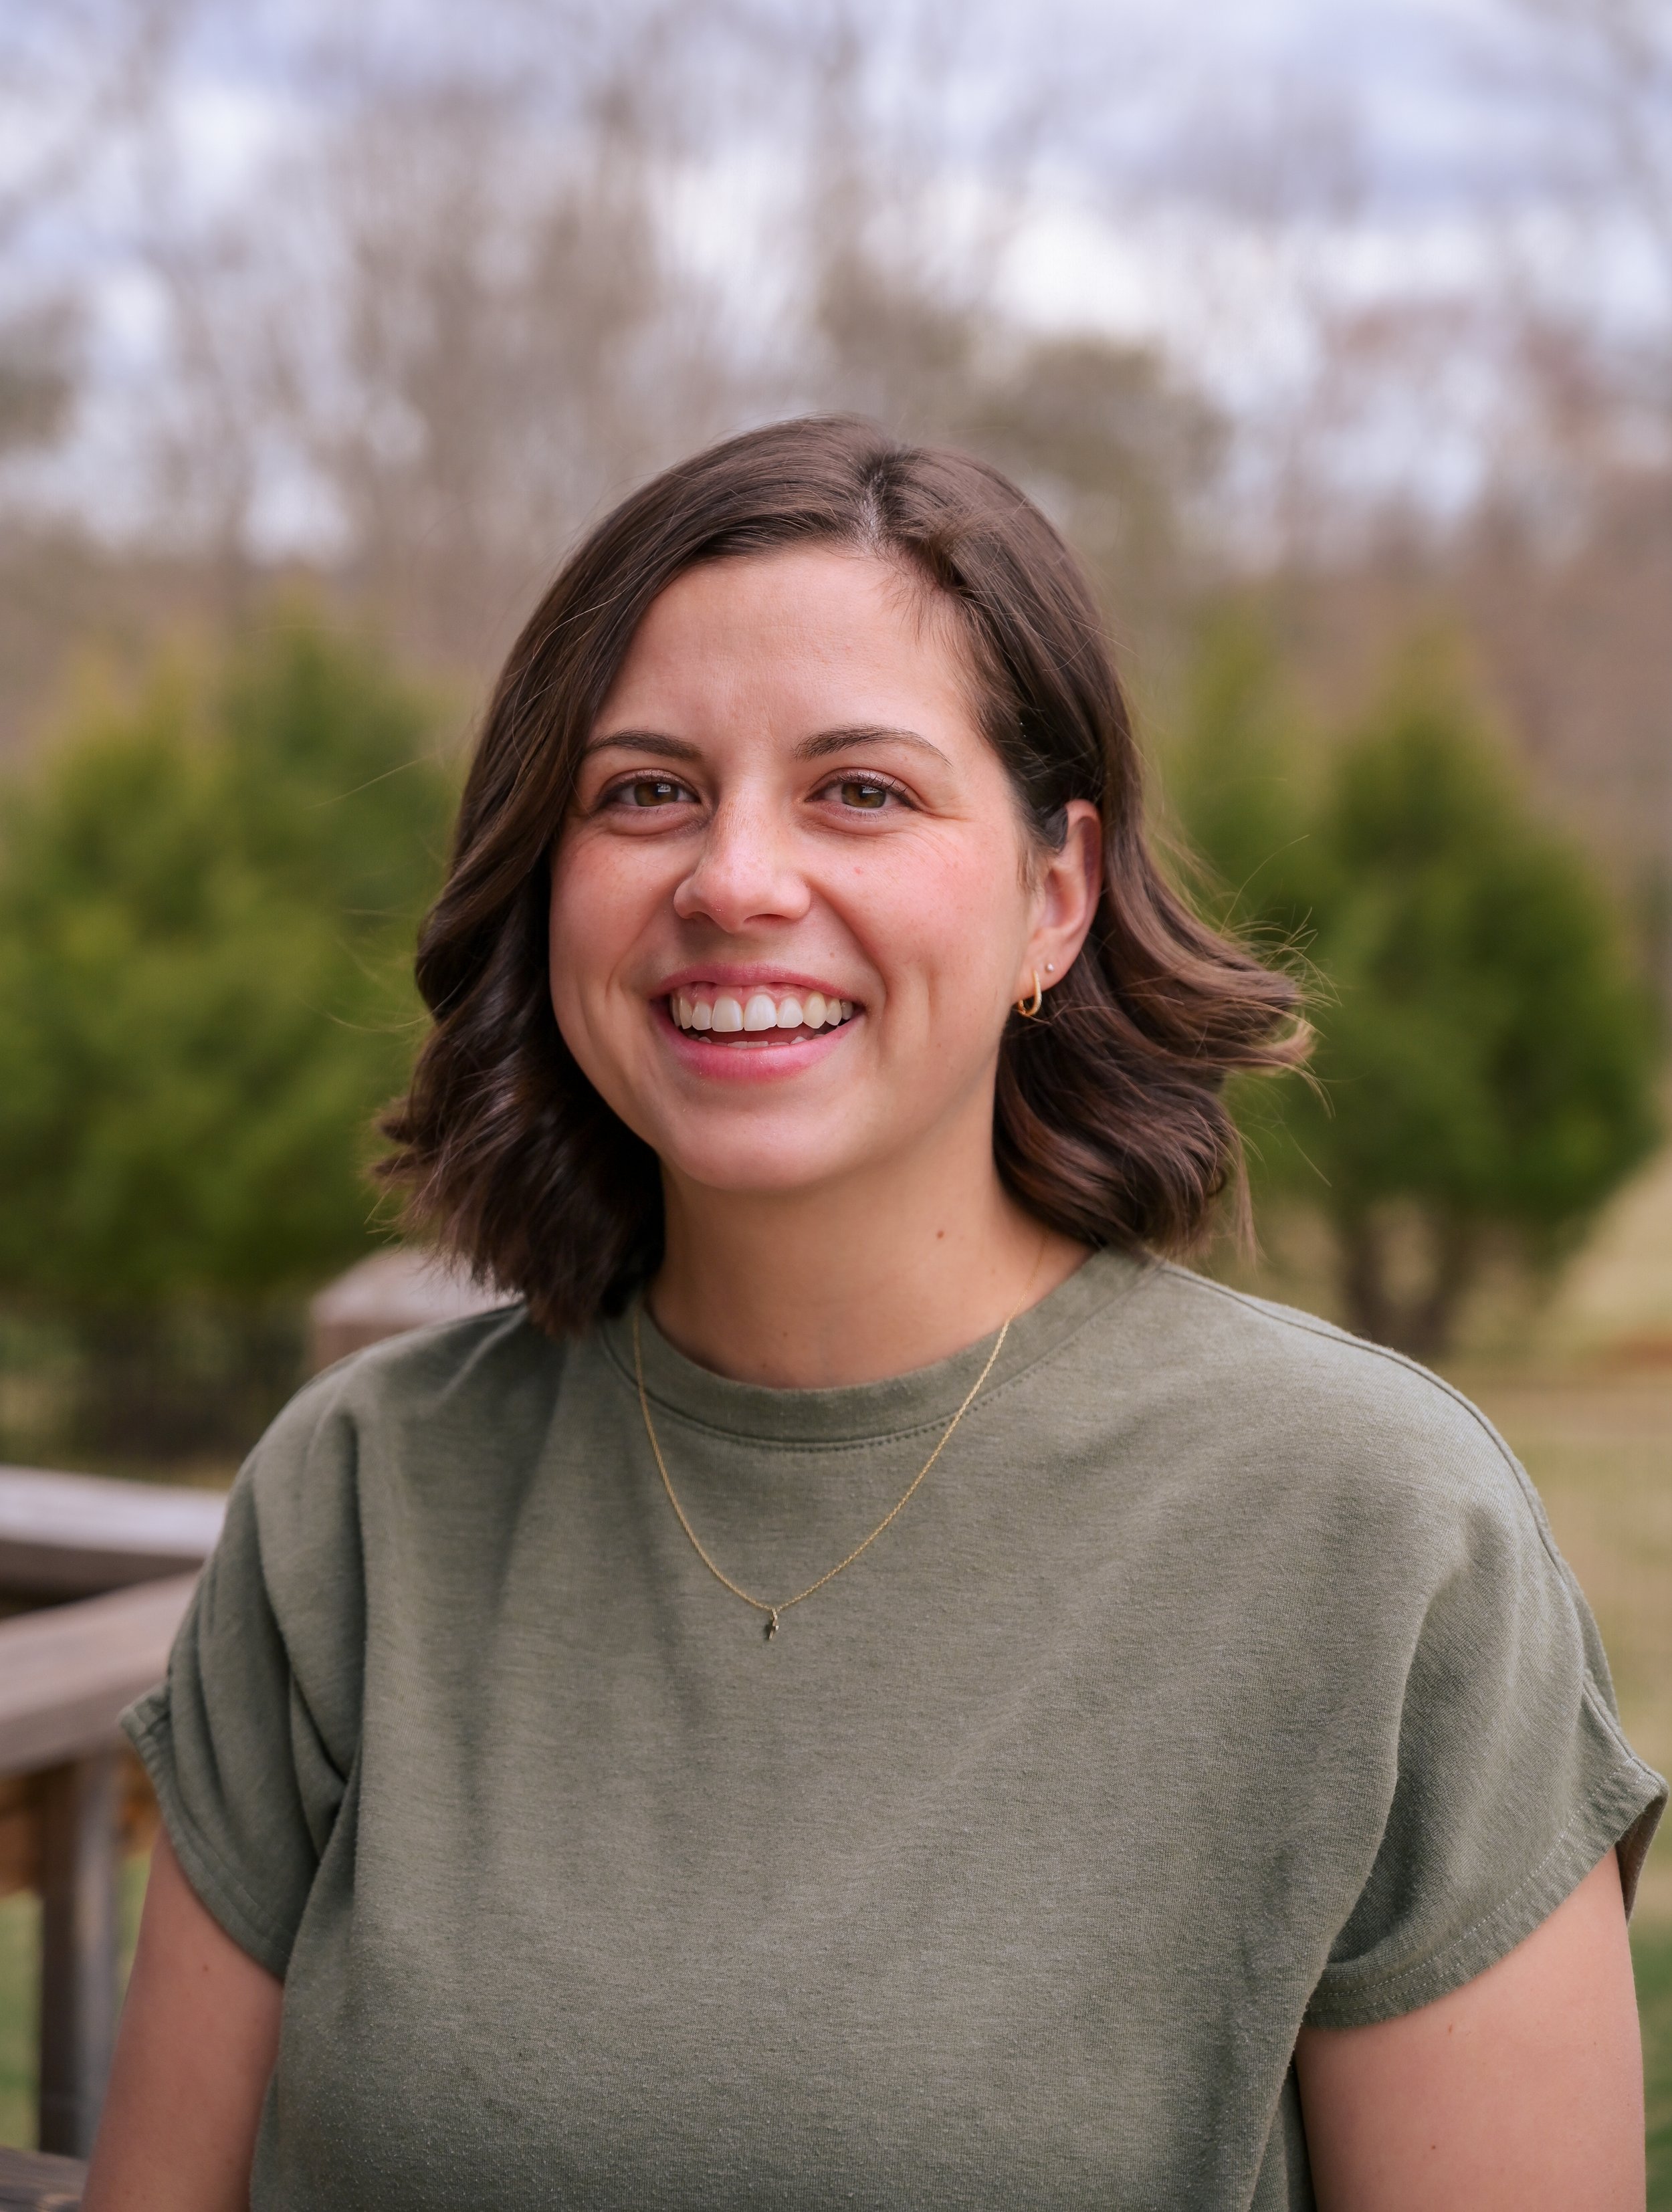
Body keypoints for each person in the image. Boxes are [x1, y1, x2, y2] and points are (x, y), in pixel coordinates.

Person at [86, 417, 1661, 2212]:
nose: (733, 880)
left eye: (859, 791)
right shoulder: (355, 1502)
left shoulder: (1378, 1532)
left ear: (1051, 898)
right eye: (645, 790)